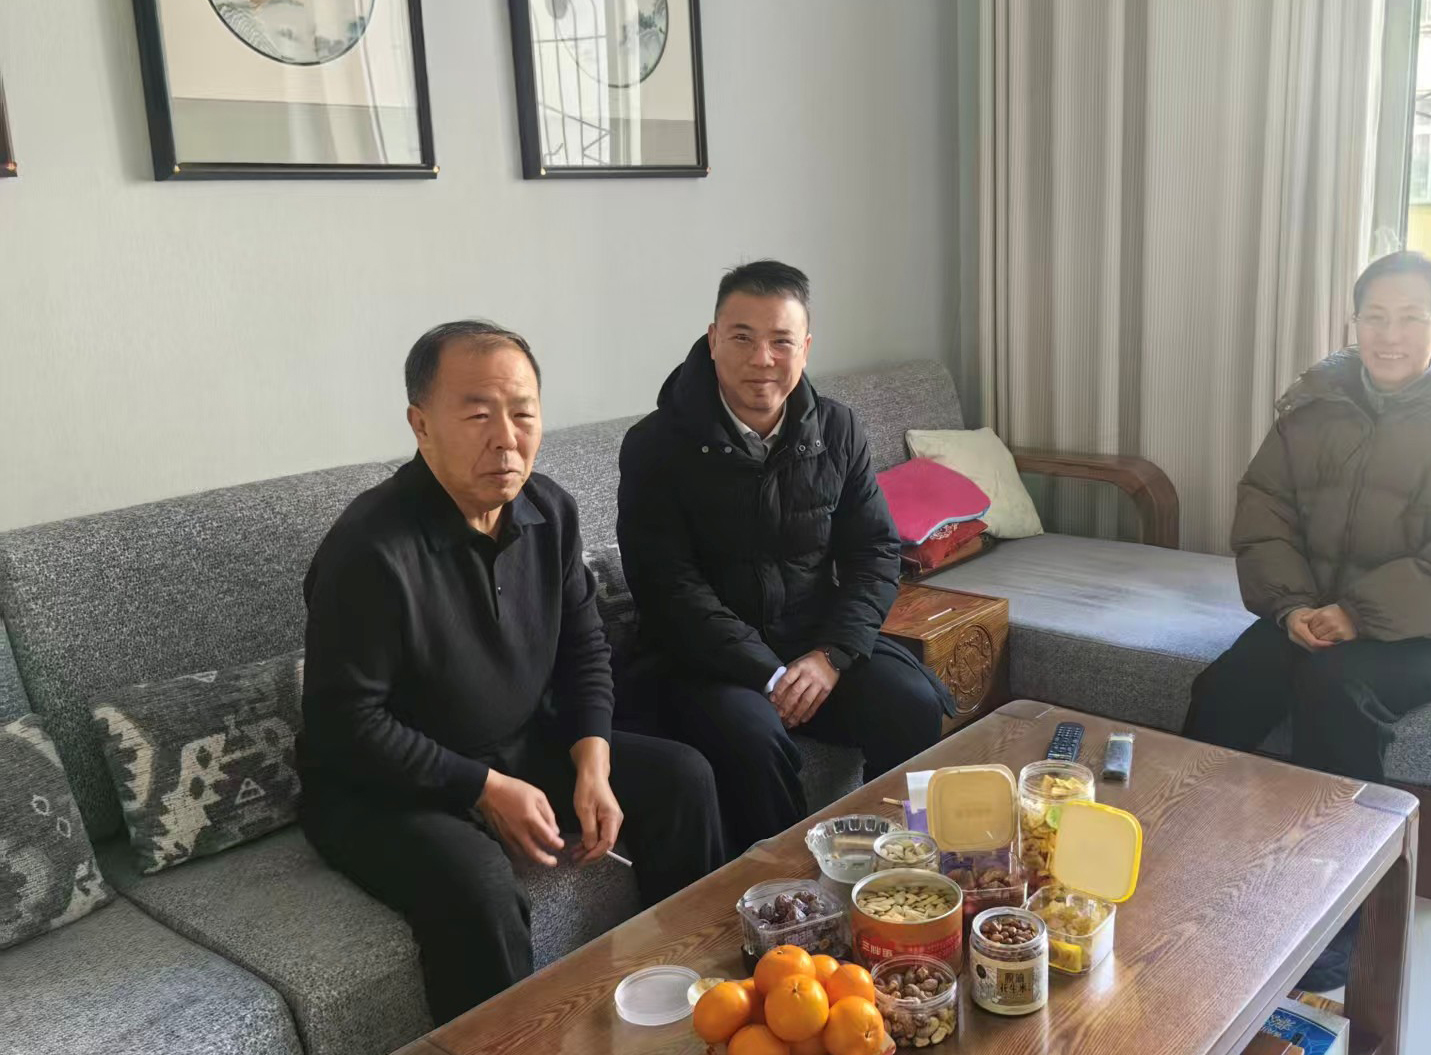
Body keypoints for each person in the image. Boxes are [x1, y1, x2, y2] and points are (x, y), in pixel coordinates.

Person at [297, 321, 725, 1023]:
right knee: (478, 887)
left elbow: (585, 649)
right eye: (477, 415)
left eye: (523, 413)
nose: (506, 439)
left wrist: (592, 763)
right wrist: (484, 787)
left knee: (684, 778)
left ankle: (694, 1001)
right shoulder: (369, 550)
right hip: (382, 789)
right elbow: (344, 726)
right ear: (421, 425)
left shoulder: (548, 510)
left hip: (517, 744)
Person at [1184, 251, 1431, 989]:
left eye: (1410, 317)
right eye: (1374, 316)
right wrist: (1291, 606)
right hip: (1316, 608)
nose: (1390, 334)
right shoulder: (1317, 402)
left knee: (1336, 690)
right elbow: (1264, 510)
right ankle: (1187, 860)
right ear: (1354, 323)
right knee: (1226, 686)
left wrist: (1357, 614)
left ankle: (1341, 922)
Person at [617, 260, 951, 854]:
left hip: (814, 643)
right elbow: (669, 590)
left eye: (781, 341)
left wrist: (830, 656)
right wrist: (768, 675)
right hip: (706, 662)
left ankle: (894, 864)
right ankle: (785, 889)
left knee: (912, 703)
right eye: (742, 338)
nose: (762, 359)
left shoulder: (837, 429)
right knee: (755, 739)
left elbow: (874, 551)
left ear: (806, 348)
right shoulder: (655, 447)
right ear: (713, 339)